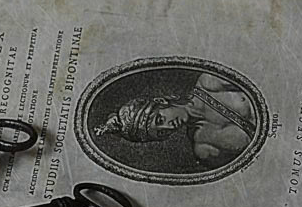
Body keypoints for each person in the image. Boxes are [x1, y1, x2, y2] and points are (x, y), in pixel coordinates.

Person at [94, 72, 257, 169]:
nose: (169, 126)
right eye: (161, 132)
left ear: (162, 102)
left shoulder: (209, 83)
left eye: (160, 119)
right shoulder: (204, 148)